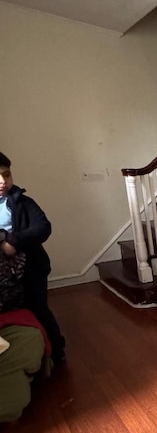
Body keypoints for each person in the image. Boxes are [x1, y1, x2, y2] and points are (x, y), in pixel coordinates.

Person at [0, 152, 66, 361]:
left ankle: (56, 350)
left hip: (31, 268)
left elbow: (43, 228)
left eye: (7, 175)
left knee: (38, 308)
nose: (3, 181)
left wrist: (13, 240)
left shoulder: (23, 201)